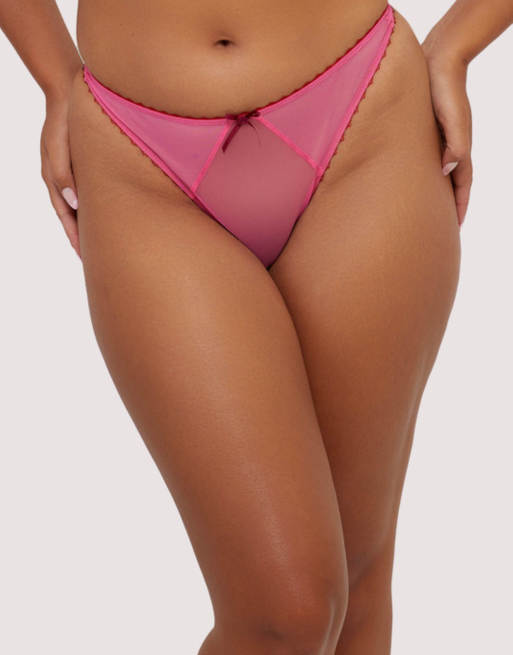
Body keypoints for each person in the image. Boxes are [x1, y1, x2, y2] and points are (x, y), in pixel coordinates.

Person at [1, 1, 511, 653]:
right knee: (285, 613)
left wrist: (458, 45)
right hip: (140, 156)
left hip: (361, 122)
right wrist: (53, 78)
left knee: (356, 583)